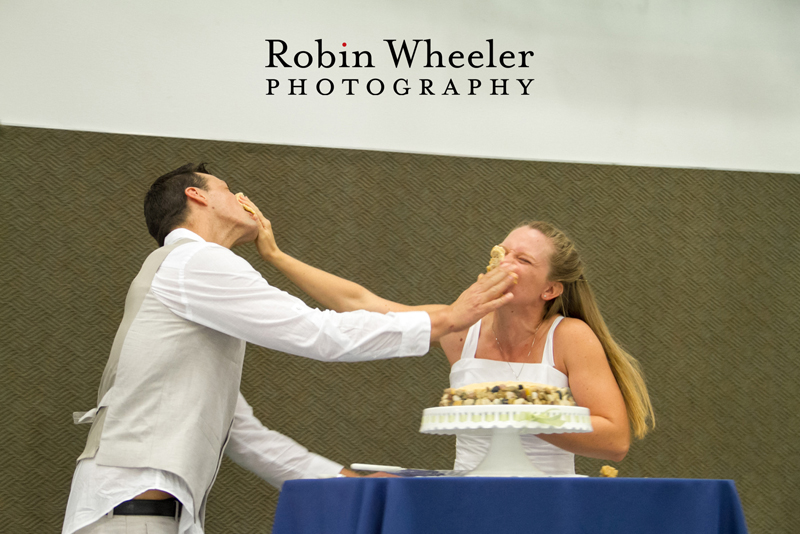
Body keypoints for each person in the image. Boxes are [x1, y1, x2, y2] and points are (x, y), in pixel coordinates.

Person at [62, 163, 517, 534]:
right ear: (196, 197)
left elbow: (244, 435)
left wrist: (343, 483)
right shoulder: (197, 260)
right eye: (228, 189)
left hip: (137, 513)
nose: (243, 198)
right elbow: (319, 334)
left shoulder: (187, 275)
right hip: (129, 516)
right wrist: (451, 318)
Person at [249, 207, 655, 475]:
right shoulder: (461, 329)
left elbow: (614, 440)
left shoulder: (570, 337)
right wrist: (276, 255)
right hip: (467, 504)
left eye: (522, 260)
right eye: (504, 251)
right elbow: (360, 302)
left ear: (550, 290)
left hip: (544, 507)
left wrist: (516, 414)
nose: (503, 262)